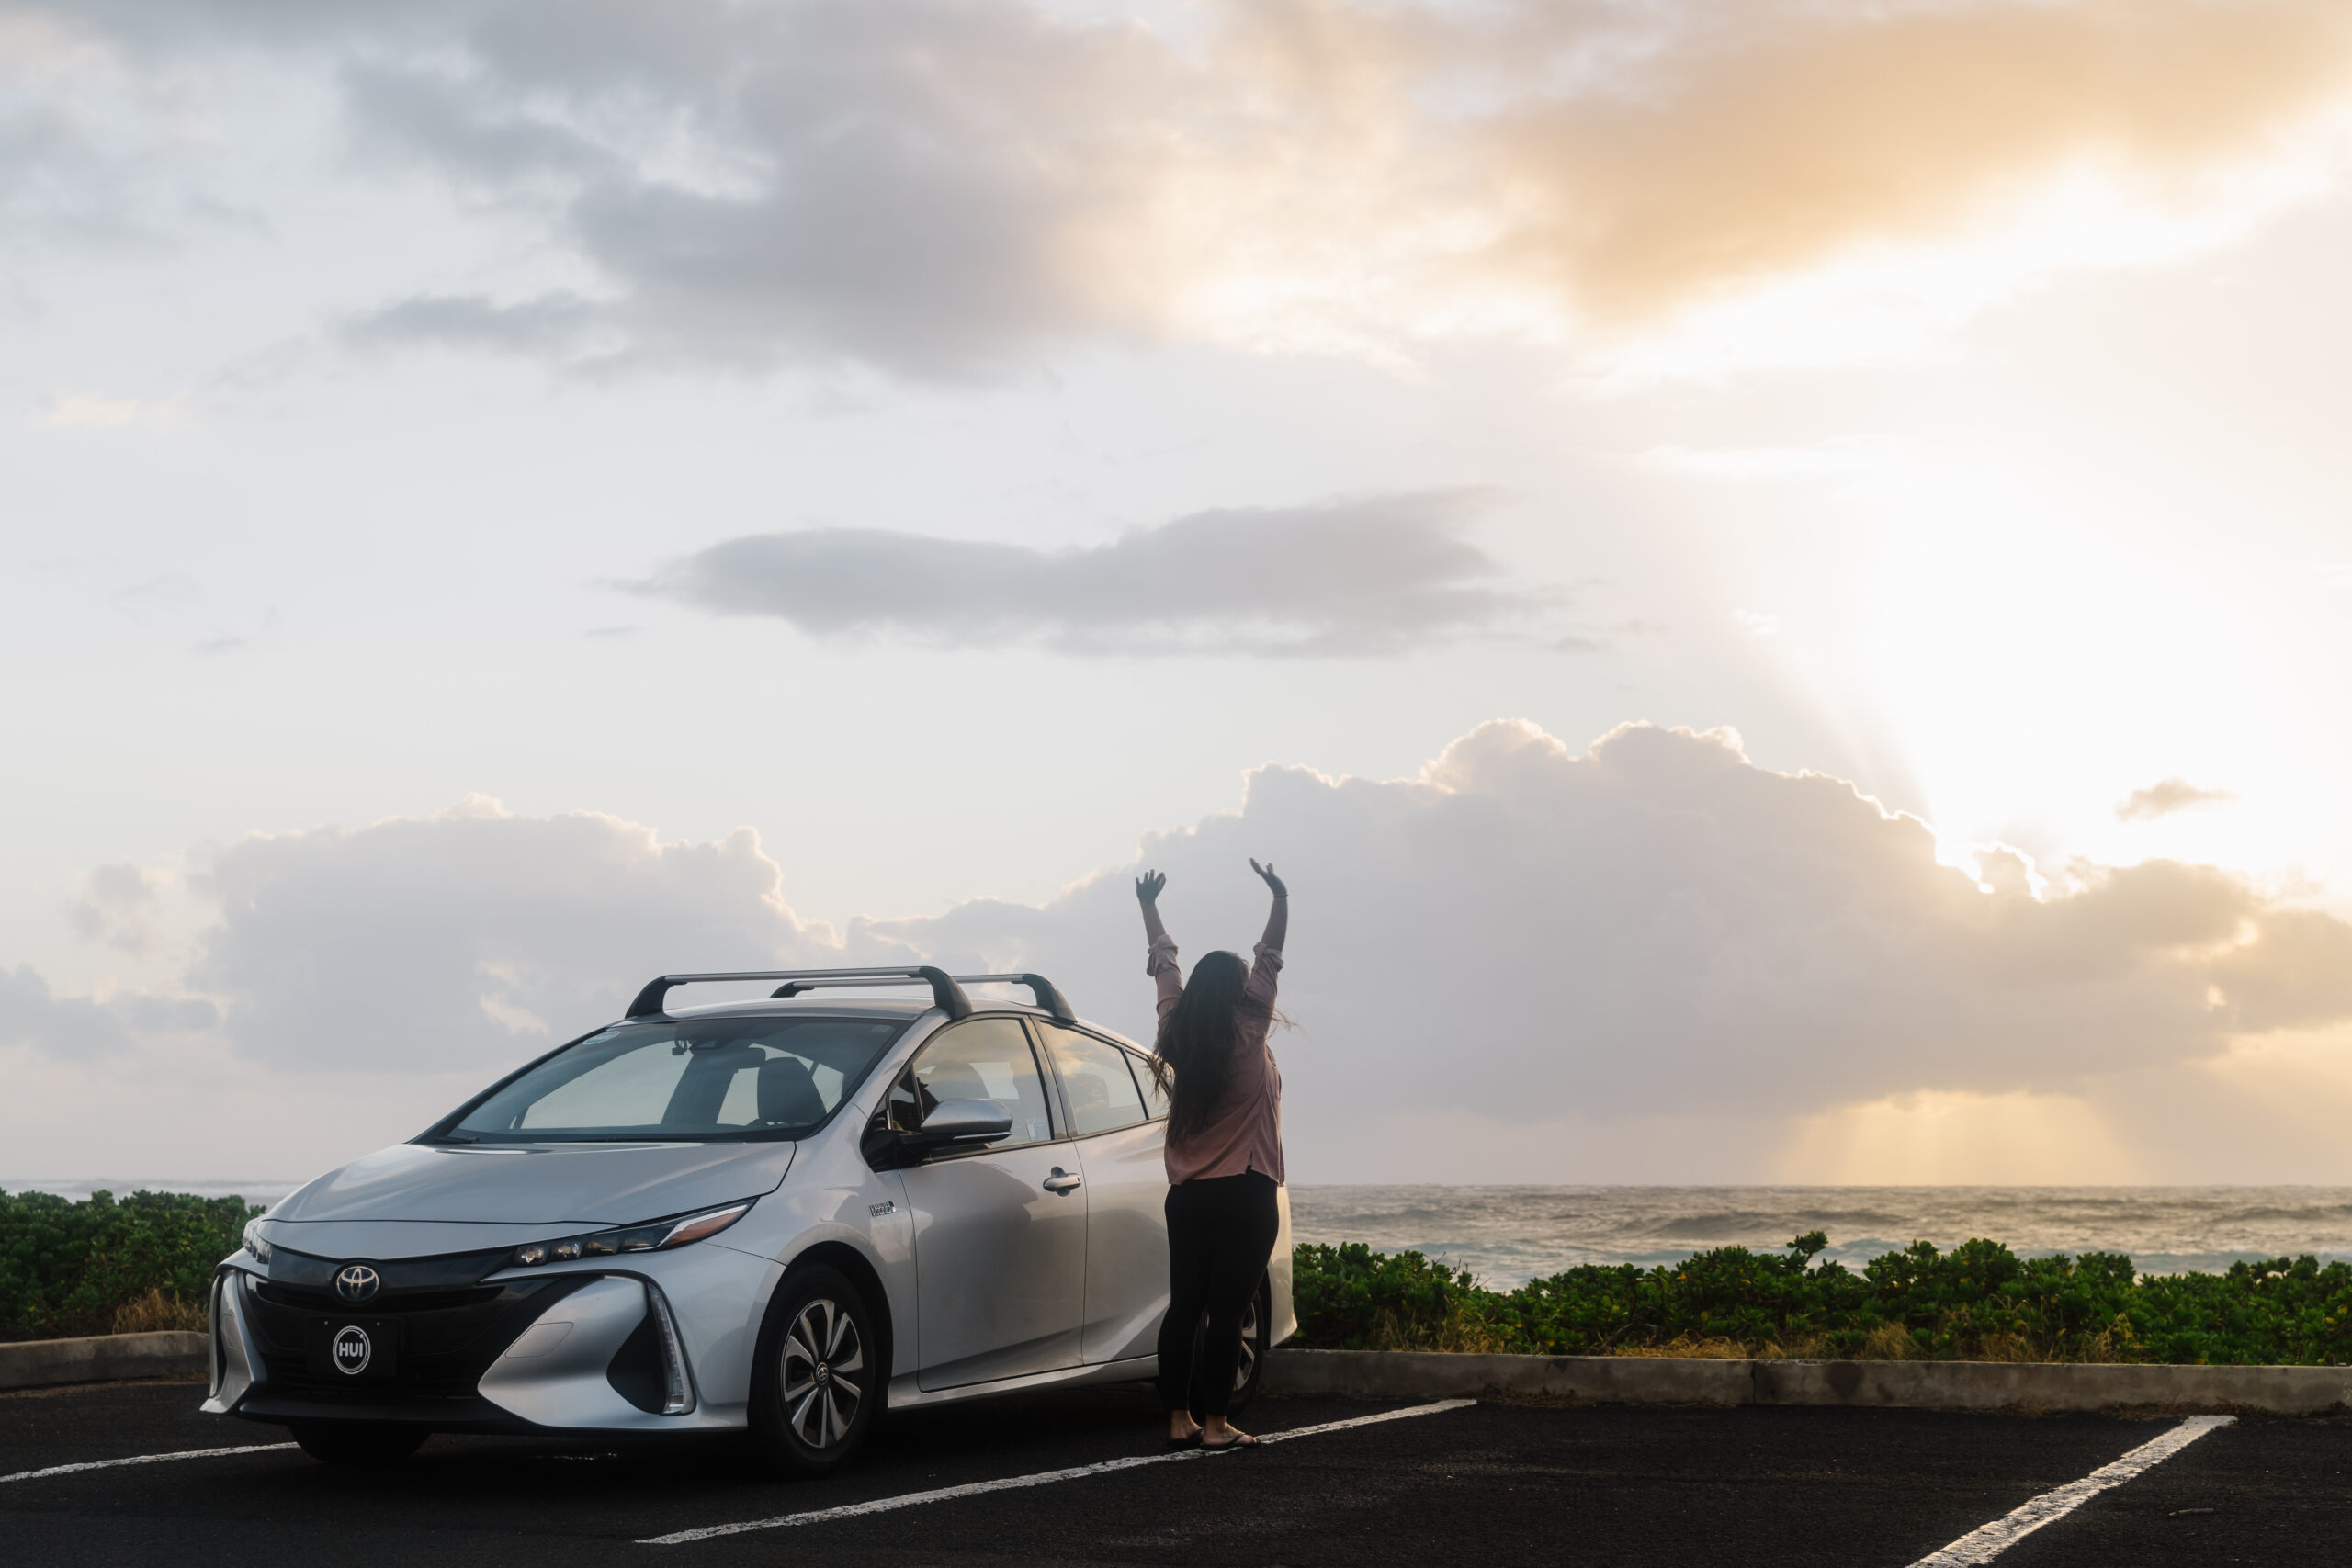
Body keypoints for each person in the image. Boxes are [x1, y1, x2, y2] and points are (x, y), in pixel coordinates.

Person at [1136, 857, 1287, 1450]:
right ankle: (1217, 1424)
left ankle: (1178, 1418)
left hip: (1190, 1194)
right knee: (1228, 1312)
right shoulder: (1249, 1025)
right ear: (1240, 990)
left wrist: (1148, 904)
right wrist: (1280, 897)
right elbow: (1270, 956)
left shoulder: (1176, 1027)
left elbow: (1163, 962)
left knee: (1185, 1308)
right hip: (1247, 1188)